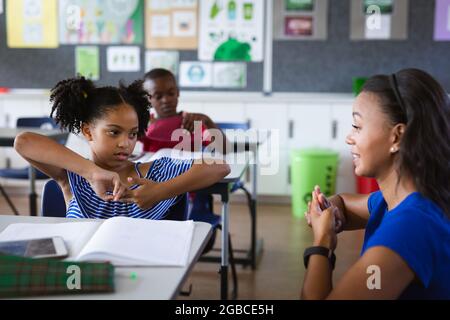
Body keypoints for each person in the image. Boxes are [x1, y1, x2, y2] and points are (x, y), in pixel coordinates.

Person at [302, 68, 450, 299]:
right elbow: (344, 203)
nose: (348, 137)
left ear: (397, 137)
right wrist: (329, 208)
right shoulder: (404, 200)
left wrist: (322, 243)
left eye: (357, 126)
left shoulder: (409, 229)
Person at [14, 76, 230, 219]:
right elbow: (23, 142)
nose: (125, 143)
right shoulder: (74, 176)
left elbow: (219, 166)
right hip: (83, 274)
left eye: (133, 134)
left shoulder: (152, 174)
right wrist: (93, 173)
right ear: (88, 132)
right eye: (114, 132)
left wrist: (159, 192)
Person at [140, 68, 229, 153]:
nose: (166, 100)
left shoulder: (191, 122)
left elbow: (224, 150)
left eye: (171, 93)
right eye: (158, 96)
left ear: (178, 92)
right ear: (148, 99)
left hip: (189, 169)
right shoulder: (144, 123)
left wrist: (207, 121)